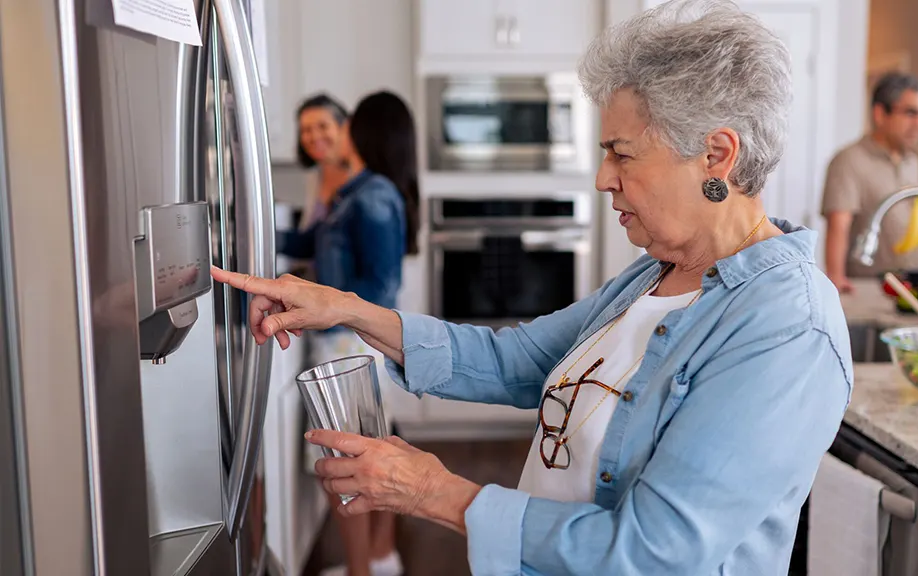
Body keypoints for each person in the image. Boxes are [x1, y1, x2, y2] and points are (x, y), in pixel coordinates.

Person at [215, 2, 851, 573]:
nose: (603, 178)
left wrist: (435, 492)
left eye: (622, 154)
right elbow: (512, 361)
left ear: (716, 156)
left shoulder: (786, 326)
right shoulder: (653, 273)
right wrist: (343, 307)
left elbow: (657, 550)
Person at [278, 91, 420, 576]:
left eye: (346, 123)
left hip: (352, 345)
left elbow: (380, 287)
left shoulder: (373, 195)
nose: (336, 132)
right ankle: (378, 560)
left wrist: (321, 301)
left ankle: (363, 569)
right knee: (364, 460)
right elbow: (310, 243)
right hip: (343, 341)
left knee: (351, 471)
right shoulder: (353, 192)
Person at [821, 72, 918, 293]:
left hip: (915, 286)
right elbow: (838, 226)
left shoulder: (913, 162)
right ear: (880, 114)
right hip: (873, 289)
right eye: (910, 113)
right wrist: (835, 280)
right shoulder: (849, 160)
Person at [295, 94, 352, 235]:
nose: (314, 136)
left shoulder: (360, 178)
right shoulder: (314, 176)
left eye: (323, 126)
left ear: (343, 128)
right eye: (306, 130)